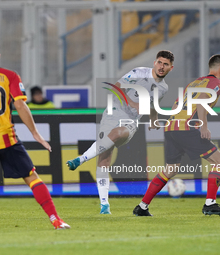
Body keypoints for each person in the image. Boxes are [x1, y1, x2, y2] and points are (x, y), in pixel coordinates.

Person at [0, 38, 70, 230]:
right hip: (6, 136)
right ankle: (55, 219)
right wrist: (35, 132)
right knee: (31, 176)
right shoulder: (9, 75)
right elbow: (19, 103)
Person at [67, 50, 174, 214]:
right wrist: (131, 102)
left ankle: (81, 159)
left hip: (131, 121)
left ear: (170, 68)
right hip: (112, 113)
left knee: (118, 133)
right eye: (160, 62)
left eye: (165, 64)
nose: (161, 66)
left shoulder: (163, 88)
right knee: (104, 160)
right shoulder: (139, 72)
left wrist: (154, 119)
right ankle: (104, 205)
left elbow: (154, 104)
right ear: (154, 62)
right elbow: (116, 87)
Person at [133, 54, 220, 216]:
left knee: (170, 169)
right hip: (187, 127)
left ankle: (142, 207)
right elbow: (201, 100)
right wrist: (203, 125)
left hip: (171, 126)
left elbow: (177, 103)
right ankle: (210, 204)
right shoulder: (217, 83)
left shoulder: (195, 82)